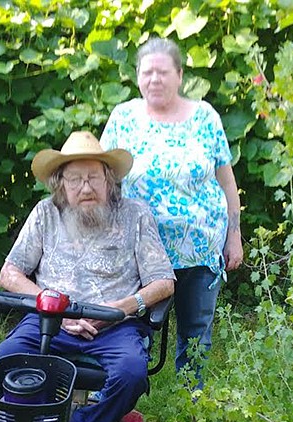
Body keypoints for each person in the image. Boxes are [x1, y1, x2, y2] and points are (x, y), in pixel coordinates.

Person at [0, 131, 175, 422]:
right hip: (51, 321)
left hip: (114, 324)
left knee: (131, 372)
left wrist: (120, 309)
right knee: (7, 357)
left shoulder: (136, 215)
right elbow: (9, 274)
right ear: (61, 184)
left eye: (94, 177)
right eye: (75, 179)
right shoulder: (44, 214)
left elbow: (163, 281)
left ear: (110, 180)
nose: (85, 187)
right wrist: (49, 305)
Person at [100, 36, 243, 387]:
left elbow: (227, 183)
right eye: (147, 72)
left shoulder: (205, 117)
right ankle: (124, 392)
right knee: (131, 326)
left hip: (200, 245)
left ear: (179, 76)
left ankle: (190, 404)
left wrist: (234, 234)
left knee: (196, 330)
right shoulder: (124, 118)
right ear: (137, 77)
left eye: (163, 72)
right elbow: (101, 177)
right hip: (139, 249)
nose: (154, 79)